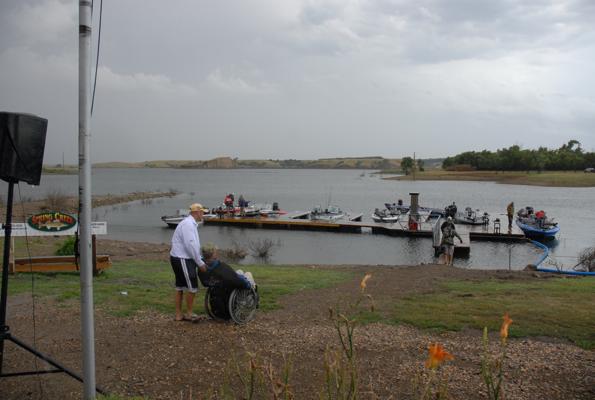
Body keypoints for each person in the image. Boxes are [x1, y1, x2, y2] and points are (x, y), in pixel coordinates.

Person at [169, 203, 207, 322]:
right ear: (197, 212)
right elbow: (190, 246)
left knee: (180, 286)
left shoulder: (189, 223)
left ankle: (179, 315)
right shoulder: (188, 224)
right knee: (192, 287)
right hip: (183, 258)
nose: (203, 214)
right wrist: (200, 262)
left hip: (178, 257)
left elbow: (192, 245)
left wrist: (199, 258)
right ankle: (189, 313)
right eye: (202, 212)